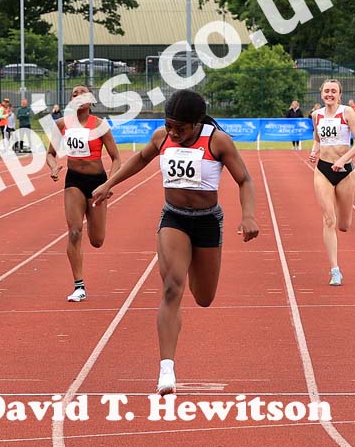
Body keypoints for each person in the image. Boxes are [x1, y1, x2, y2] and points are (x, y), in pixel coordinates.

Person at [91, 89, 259, 395]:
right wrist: (108, 184)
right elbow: (140, 159)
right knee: (171, 287)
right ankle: (166, 369)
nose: (173, 133)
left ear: (196, 124)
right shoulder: (161, 137)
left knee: (203, 297)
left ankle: (195, 273)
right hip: (174, 218)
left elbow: (245, 180)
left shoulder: (217, 141)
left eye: (179, 128)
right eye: (169, 126)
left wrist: (248, 215)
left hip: (207, 221)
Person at [46, 85, 121, 302]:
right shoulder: (62, 125)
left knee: (97, 240)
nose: (79, 96)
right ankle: (79, 286)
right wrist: (53, 167)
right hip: (74, 181)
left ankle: (94, 230)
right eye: (74, 94)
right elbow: (50, 154)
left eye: (83, 93)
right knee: (74, 231)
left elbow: (116, 158)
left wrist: (110, 183)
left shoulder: (100, 126)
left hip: (97, 183)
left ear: (91, 100)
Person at [309, 79, 355, 287]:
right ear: (321, 94)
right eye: (326, 91)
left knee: (344, 225)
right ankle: (335, 269)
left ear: (339, 94)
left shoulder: (347, 112)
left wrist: (342, 160)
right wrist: (314, 152)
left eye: (333, 91)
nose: (329, 94)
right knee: (328, 219)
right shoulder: (317, 115)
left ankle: (343, 223)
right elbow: (317, 138)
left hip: (345, 172)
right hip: (323, 170)